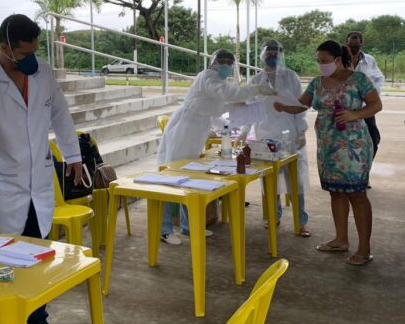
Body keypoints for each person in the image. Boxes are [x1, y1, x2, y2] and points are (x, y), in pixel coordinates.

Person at [0, 14, 82, 324]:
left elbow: (61, 115)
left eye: (35, 51)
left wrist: (74, 156)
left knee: (37, 259)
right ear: (5, 48)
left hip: (38, 186)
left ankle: (35, 319)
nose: (31, 59)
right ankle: (3, 323)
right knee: (3, 264)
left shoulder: (43, 74)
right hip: (3, 189)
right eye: (24, 53)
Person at [274, 40, 382, 266]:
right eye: (318, 61)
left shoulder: (358, 79)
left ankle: (364, 248)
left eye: (324, 60)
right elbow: (301, 105)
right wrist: (283, 106)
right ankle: (340, 240)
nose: (321, 64)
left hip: (354, 147)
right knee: (336, 192)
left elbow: (375, 105)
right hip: (328, 147)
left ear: (338, 59)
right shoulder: (317, 83)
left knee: (357, 195)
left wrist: (355, 114)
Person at [156, 49, 276, 245]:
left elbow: (214, 113)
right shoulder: (208, 77)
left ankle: (189, 227)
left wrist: (229, 128)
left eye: (230, 62)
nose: (226, 65)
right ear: (213, 62)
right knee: (172, 177)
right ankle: (164, 229)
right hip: (183, 131)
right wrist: (256, 89)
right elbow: (230, 95)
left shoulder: (216, 83)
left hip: (194, 133)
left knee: (189, 178)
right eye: (223, 61)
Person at [238, 40, 311, 237]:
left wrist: (302, 131)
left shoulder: (290, 76)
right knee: (269, 181)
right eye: (269, 52)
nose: (272, 56)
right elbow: (250, 111)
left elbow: (300, 106)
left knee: (296, 180)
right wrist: (244, 131)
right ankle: (273, 216)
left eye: (276, 52)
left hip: (290, 134)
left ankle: (300, 221)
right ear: (262, 55)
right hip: (265, 135)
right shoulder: (255, 81)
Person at [345, 31, 384, 187]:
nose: (354, 47)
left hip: (364, 110)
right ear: (346, 43)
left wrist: (372, 94)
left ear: (362, 44)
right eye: (351, 44)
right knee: (345, 144)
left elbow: (379, 78)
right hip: (345, 110)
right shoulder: (340, 60)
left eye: (357, 45)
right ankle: (346, 175)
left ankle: (363, 174)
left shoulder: (369, 60)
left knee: (373, 141)